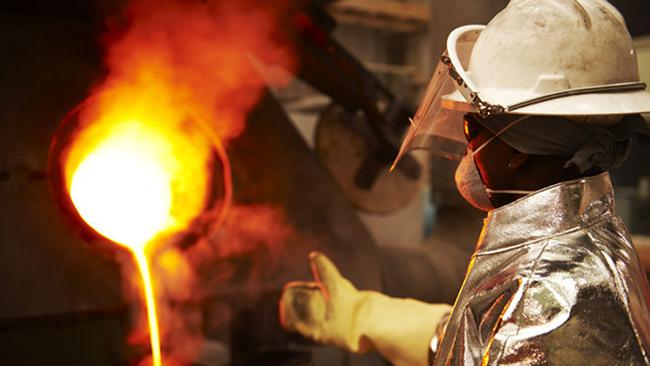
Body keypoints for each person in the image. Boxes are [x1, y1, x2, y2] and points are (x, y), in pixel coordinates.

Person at [279, 0, 650, 365]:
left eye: (471, 126)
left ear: (518, 151)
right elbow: (484, 344)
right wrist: (366, 318)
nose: (465, 148)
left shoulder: (543, 299)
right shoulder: (584, 240)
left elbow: (513, 339)